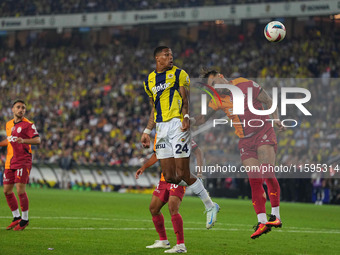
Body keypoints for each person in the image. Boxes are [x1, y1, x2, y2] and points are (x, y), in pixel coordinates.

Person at [195, 70, 284, 239]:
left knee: (267, 173)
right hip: (245, 141)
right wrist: (189, 121)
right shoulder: (218, 100)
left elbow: (269, 100)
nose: (214, 89)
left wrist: (276, 118)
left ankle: (276, 216)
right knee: (254, 181)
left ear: (220, 76)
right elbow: (202, 118)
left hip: (263, 131)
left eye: (214, 84)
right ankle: (262, 222)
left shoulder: (245, 84)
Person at [140, 46, 219, 229]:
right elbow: (154, 108)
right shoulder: (149, 81)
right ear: (157, 58)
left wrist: (185, 117)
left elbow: (185, 99)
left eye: (172, 55)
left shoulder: (179, 74)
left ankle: (210, 205)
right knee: (169, 176)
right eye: (166, 55)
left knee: (182, 173)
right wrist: (147, 130)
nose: (170, 57)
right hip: (160, 127)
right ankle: (198, 187)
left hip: (177, 125)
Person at [135, 137, 203, 253]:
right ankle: (163, 241)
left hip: (178, 177)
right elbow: (157, 155)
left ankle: (181, 245)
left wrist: (200, 173)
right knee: (153, 208)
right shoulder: (159, 135)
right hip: (165, 178)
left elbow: (198, 152)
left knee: (172, 207)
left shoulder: (181, 134)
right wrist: (144, 167)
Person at [0, 99, 41, 231]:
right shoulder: (8, 124)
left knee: (20, 190)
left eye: (23, 108)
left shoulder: (28, 125)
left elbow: (37, 140)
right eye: (18, 107)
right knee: (6, 191)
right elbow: (10, 140)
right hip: (10, 161)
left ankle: (24, 219)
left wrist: (23, 140)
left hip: (23, 160)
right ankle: (16, 217)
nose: (21, 110)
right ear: (12, 109)